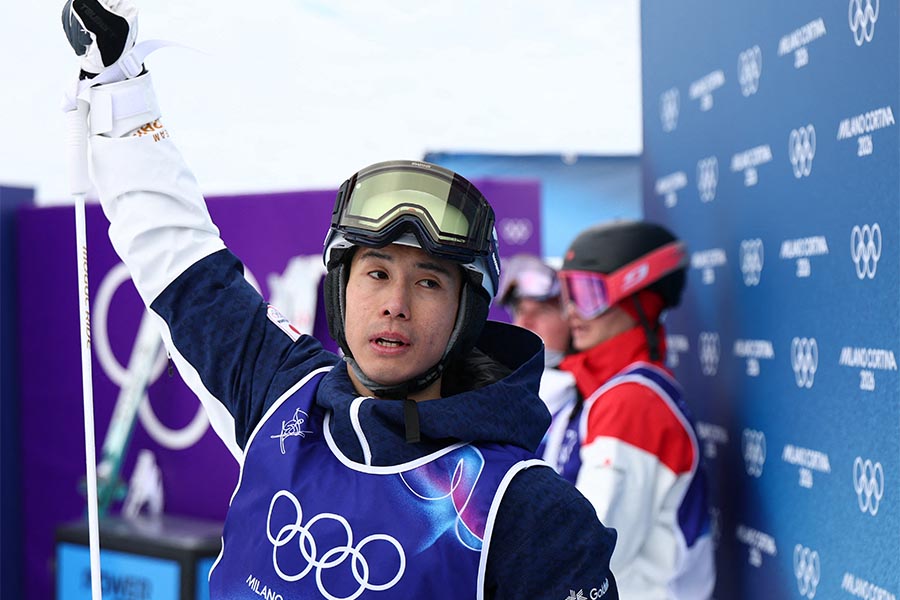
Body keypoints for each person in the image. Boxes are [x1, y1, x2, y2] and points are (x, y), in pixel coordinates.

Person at [61, 2, 619, 598]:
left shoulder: (525, 509)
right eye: (375, 273)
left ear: (466, 314)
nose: (395, 304)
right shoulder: (282, 395)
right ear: (341, 288)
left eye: (429, 282)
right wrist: (118, 85)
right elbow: (182, 258)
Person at [546, 220, 715, 599]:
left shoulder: (631, 403)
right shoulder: (594, 392)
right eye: (567, 292)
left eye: (588, 294)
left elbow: (592, 549)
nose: (573, 311)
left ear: (639, 300)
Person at [497, 254, 576, 453]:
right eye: (521, 311)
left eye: (540, 312)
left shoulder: (593, 395)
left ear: (574, 319)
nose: (525, 323)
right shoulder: (496, 389)